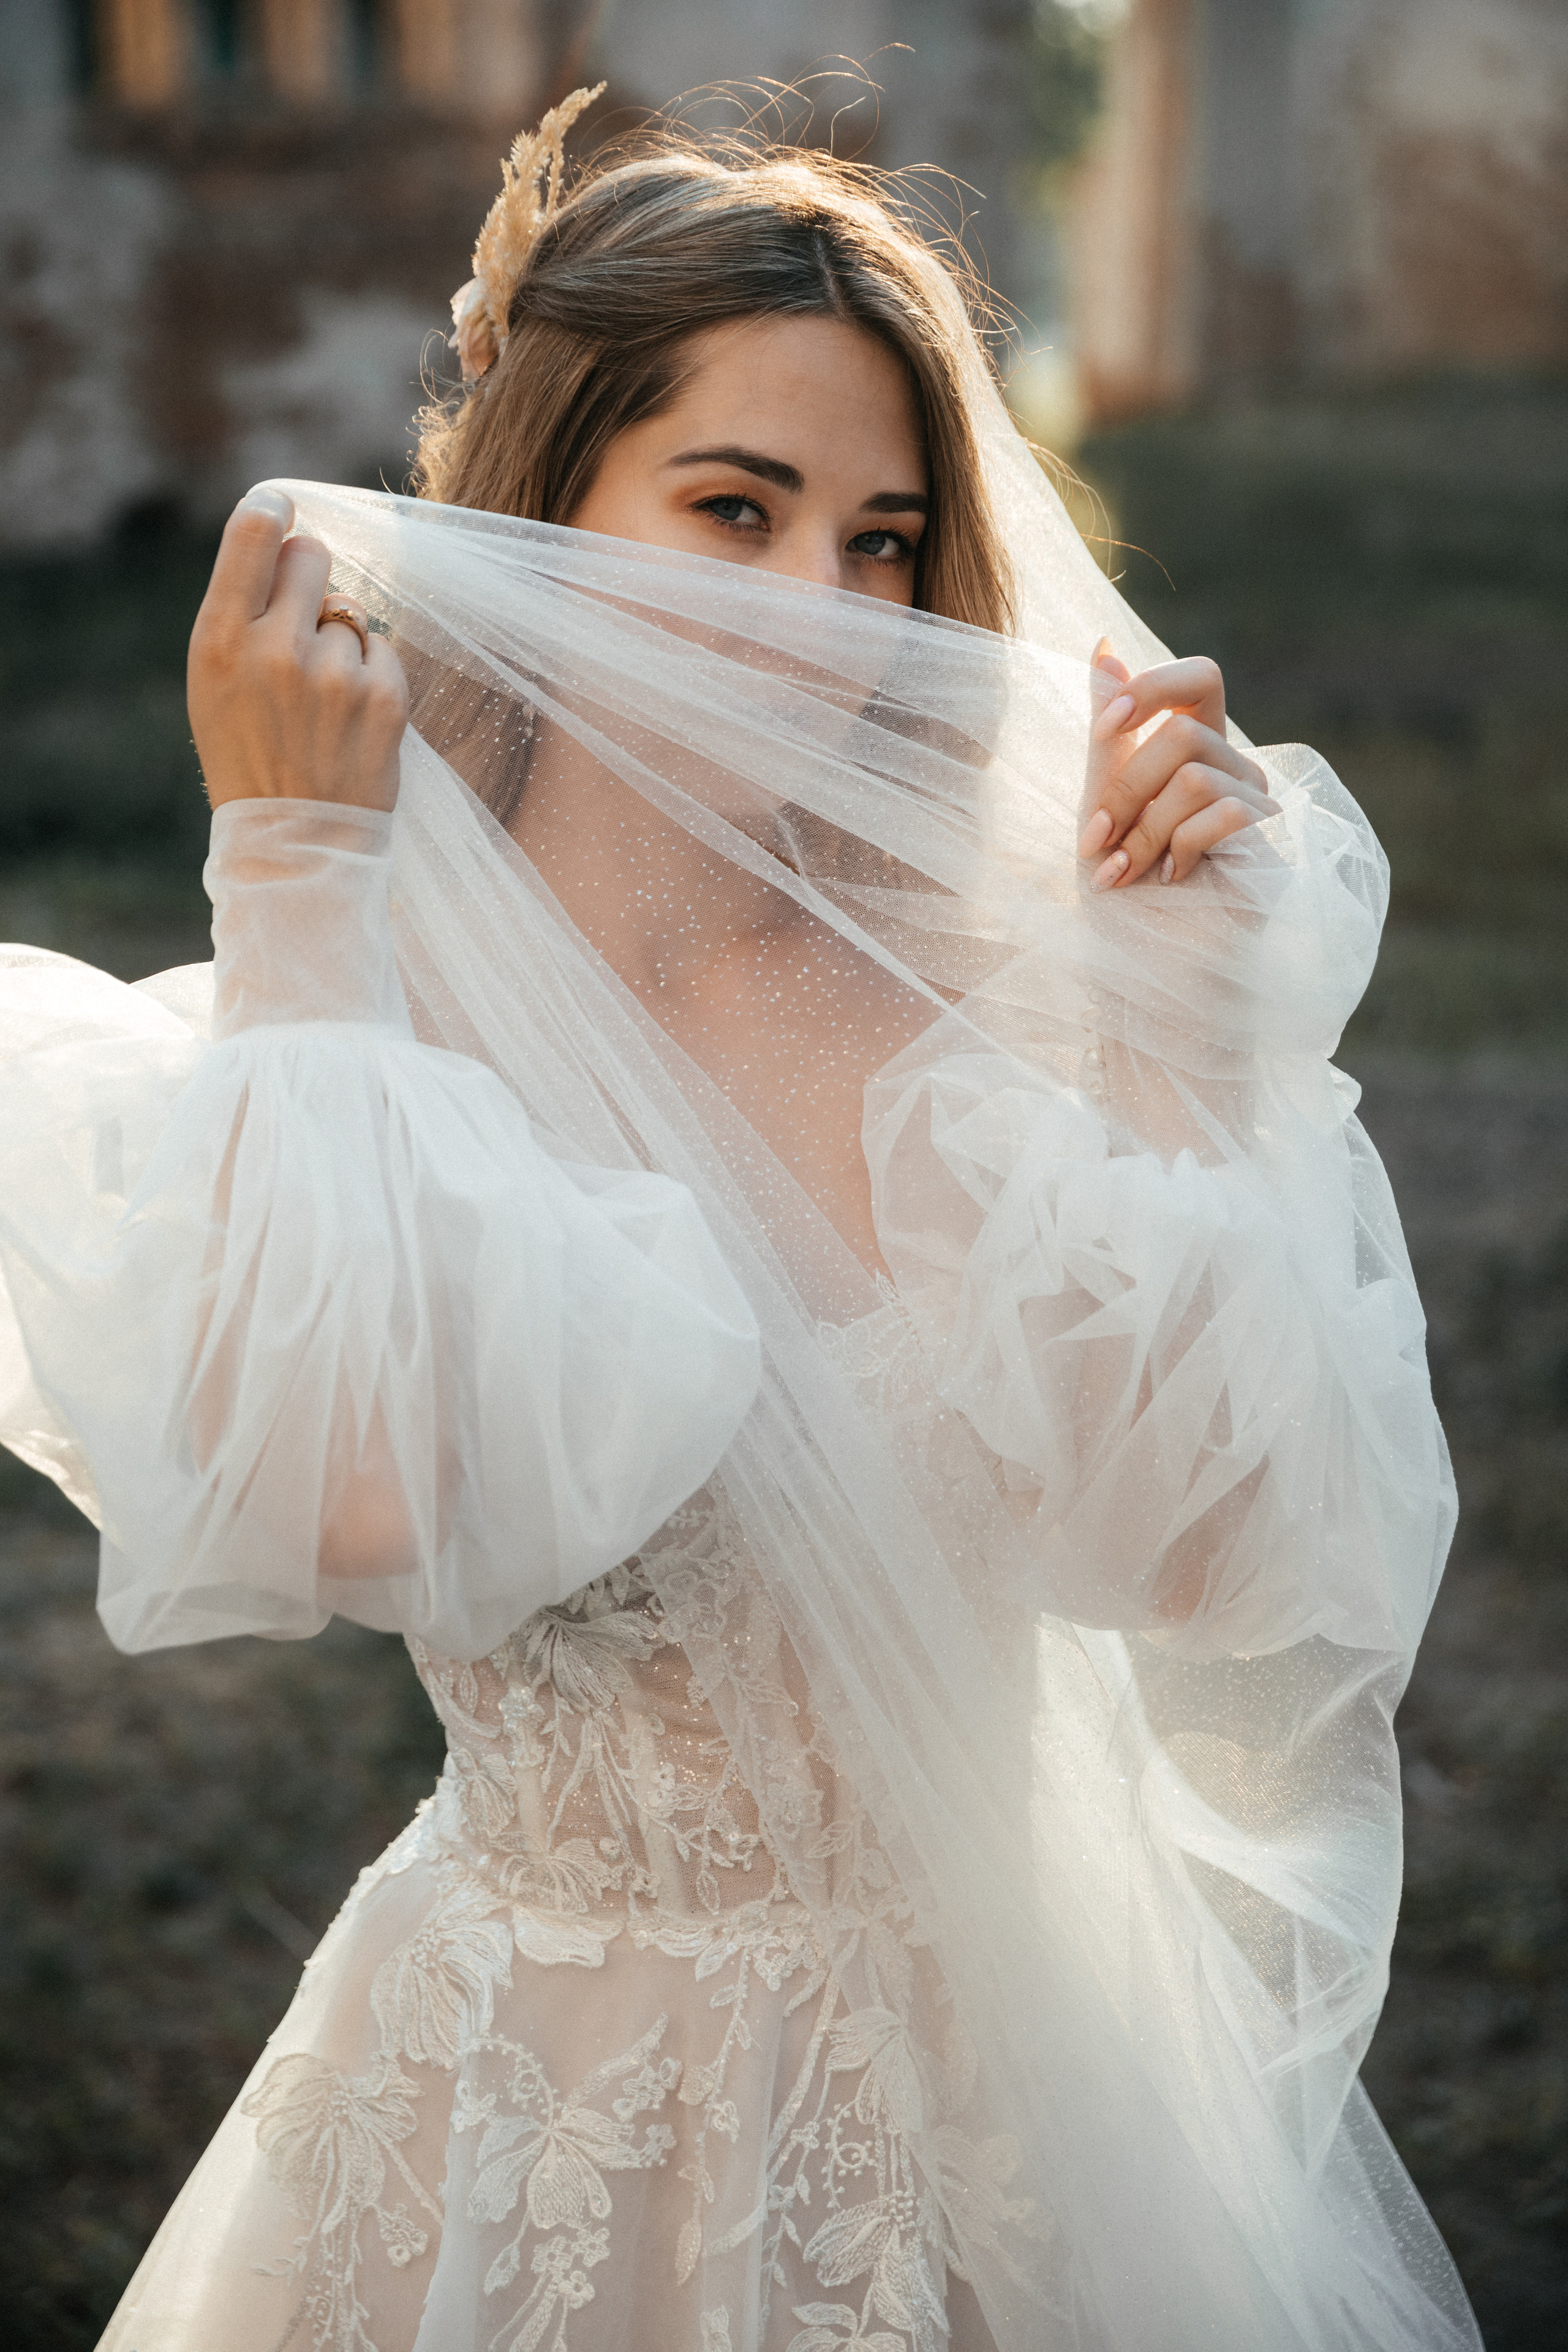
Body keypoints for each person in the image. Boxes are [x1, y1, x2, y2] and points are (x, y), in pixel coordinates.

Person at [0, 92, 1481, 2352]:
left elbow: (1184, 1564)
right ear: (546, 515)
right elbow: (324, 1500)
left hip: (1014, 2114)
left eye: (885, 540)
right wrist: (293, 878)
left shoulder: (995, 978)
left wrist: (1174, 1039)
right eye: (734, 507)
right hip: (528, 2106)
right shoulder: (372, 993)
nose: (828, 609)